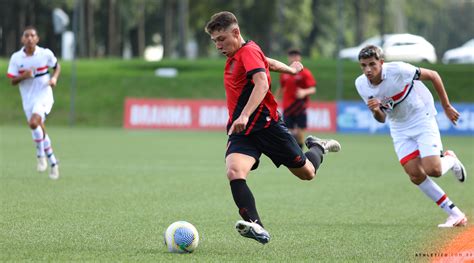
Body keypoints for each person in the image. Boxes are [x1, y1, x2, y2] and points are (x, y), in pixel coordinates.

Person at [205, 11, 341, 244]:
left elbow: (262, 81)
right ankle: (257, 226)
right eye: (215, 41)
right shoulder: (243, 53)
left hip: (268, 127)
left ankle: (318, 147)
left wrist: (245, 114)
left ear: (236, 33)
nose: (218, 45)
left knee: (307, 173)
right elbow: (267, 62)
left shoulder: (247, 52)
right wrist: (290, 70)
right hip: (243, 132)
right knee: (234, 172)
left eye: (221, 39)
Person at [355, 45, 467, 227]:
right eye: (363, 65)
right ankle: (455, 214)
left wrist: (446, 106)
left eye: (372, 64)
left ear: (381, 63)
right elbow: (381, 119)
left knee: (434, 170)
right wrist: (375, 110)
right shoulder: (361, 84)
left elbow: (433, 75)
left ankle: (451, 159)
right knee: (415, 175)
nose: (368, 69)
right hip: (399, 127)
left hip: (421, 117)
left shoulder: (398, 70)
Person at [7, 26, 60, 180]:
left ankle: (40, 154)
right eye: (26, 36)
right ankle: (54, 162)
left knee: (33, 123)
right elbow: (12, 80)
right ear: (22, 39)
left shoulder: (45, 54)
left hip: (44, 95)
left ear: (37, 39)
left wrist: (54, 78)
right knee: (38, 128)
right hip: (28, 99)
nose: (29, 38)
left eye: (32, 35)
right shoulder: (16, 58)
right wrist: (24, 76)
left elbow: (57, 67)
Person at [277, 49, 317, 148]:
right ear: (288, 58)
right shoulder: (284, 72)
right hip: (288, 106)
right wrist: (275, 98)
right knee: (289, 133)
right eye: (292, 56)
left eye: (296, 56)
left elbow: (313, 89)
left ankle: (300, 151)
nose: (294, 58)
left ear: (300, 58)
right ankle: (294, 154)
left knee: (299, 134)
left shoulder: (305, 73)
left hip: (300, 106)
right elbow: (282, 87)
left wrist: (304, 92)